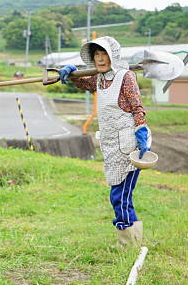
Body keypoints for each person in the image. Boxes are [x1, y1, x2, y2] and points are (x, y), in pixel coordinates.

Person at [58, 36, 151, 246]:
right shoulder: (100, 78)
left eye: (104, 55)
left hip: (129, 144)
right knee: (119, 194)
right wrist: (71, 72)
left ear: (113, 56)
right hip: (111, 146)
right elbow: (83, 83)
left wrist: (141, 132)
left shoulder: (125, 77)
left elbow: (137, 107)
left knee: (121, 196)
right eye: (96, 55)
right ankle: (132, 240)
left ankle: (127, 243)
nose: (100, 59)